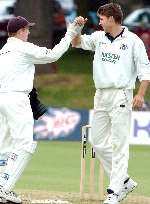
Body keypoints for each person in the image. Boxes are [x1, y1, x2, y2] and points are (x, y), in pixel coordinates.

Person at [72, 3, 150, 204]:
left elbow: (145, 72)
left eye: (102, 19)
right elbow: (76, 42)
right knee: (97, 142)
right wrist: (77, 28)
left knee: (119, 144)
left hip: (121, 95)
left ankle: (114, 191)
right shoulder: (98, 38)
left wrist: (140, 95)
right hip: (101, 95)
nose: (99, 22)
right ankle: (124, 181)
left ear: (112, 19)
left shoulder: (133, 41)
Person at [0, 15, 81, 203]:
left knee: (4, 146)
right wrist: (70, 32)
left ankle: (2, 184)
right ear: (20, 31)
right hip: (16, 99)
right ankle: (5, 188)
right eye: (27, 29)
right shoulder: (24, 47)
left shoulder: (3, 50)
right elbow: (53, 55)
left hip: (2, 99)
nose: (29, 32)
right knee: (25, 145)